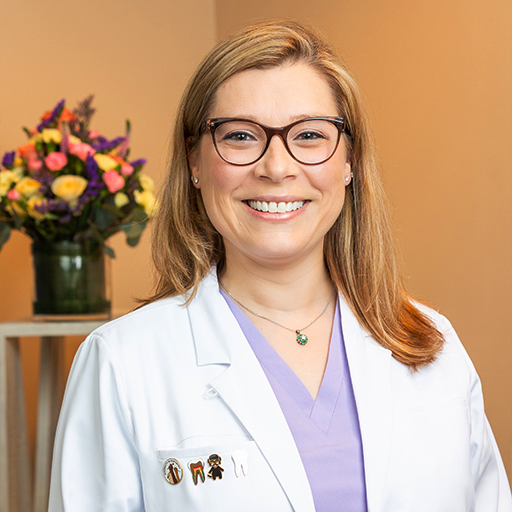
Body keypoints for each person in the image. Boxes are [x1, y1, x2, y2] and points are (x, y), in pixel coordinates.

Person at [48, 20, 512, 511]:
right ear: (195, 164)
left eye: (309, 135)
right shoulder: (122, 363)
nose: (276, 167)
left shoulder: (433, 346)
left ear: (349, 162)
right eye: (242, 136)